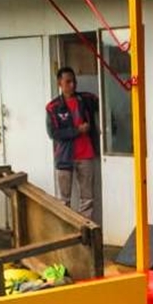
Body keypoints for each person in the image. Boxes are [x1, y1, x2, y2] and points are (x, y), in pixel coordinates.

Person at [45, 67, 100, 220]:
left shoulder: (86, 99)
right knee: (63, 201)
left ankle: (86, 233)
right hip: (64, 157)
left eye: (74, 81)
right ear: (59, 83)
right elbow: (53, 133)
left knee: (87, 198)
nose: (72, 85)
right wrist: (77, 130)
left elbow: (105, 104)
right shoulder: (52, 107)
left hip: (86, 154)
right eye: (68, 81)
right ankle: (67, 233)